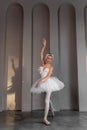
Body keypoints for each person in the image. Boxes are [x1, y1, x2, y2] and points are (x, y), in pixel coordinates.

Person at [30, 38, 64, 125]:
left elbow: (48, 76)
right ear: (46, 58)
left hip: (48, 82)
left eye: (50, 59)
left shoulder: (51, 67)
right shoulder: (43, 63)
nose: (49, 60)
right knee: (47, 99)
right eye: (48, 58)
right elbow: (41, 54)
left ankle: (45, 119)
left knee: (46, 100)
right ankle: (52, 109)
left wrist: (40, 82)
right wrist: (44, 46)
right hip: (42, 82)